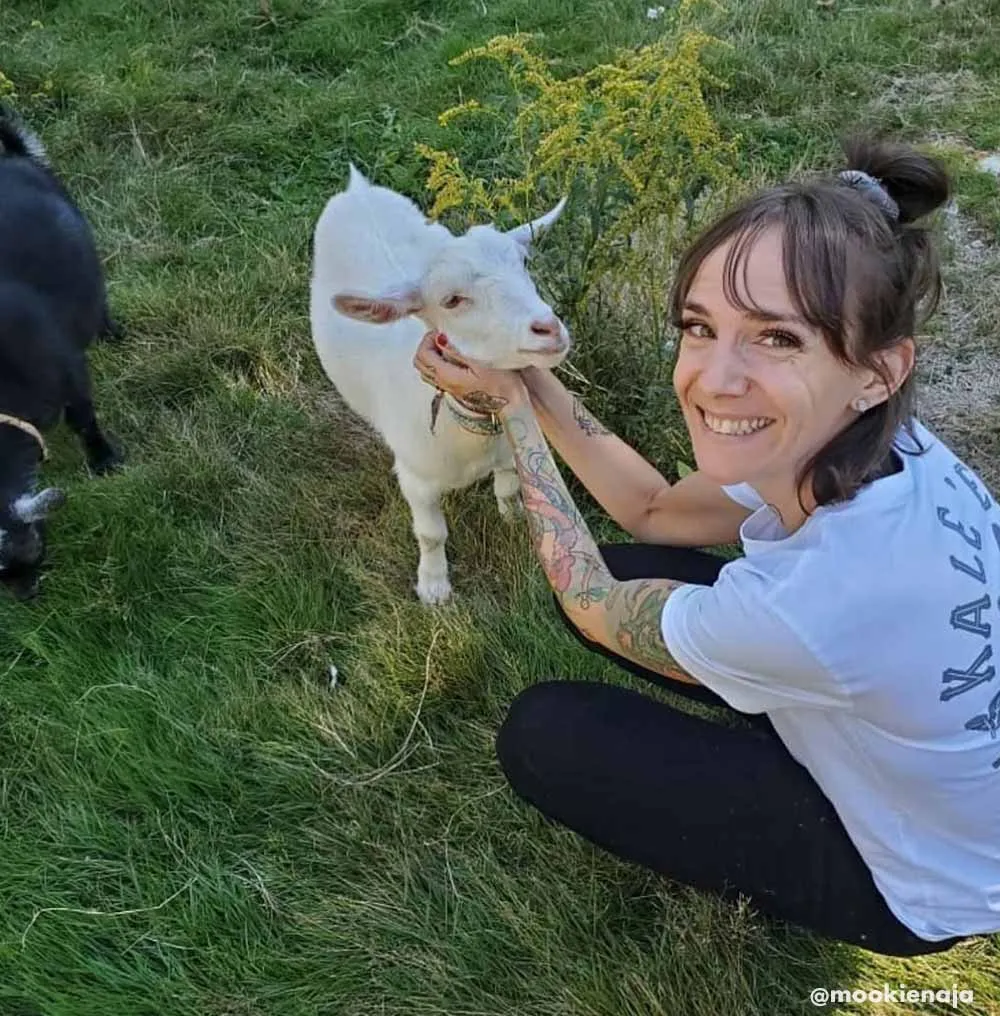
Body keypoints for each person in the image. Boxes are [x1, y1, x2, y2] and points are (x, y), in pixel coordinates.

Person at [412, 136, 1000, 957]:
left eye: (779, 339)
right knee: (630, 559)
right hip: (944, 782)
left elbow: (591, 606)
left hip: (921, 887)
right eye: (700, 327)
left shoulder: (822, 600)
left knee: (544, 734)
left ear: (879, 370)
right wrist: (529, 378)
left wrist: (510, 416)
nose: (715, 379)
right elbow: (651, 509)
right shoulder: (878, 445)